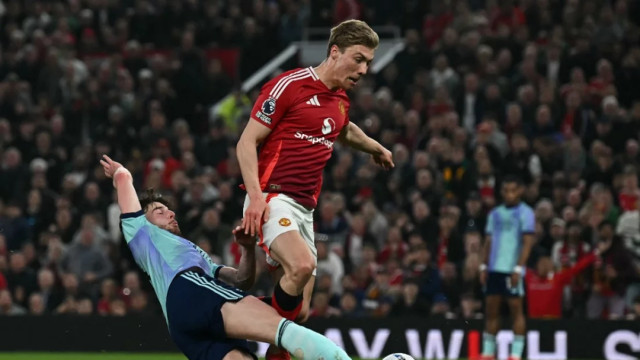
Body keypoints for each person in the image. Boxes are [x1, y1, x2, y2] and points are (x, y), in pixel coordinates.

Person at [236, 19, 394, 360]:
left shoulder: (339, 100)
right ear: (335, 52)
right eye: (359, 58)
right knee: (302, 266)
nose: (365, 69)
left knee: (301, 312)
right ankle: (240, 331)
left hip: (304, 209)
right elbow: (247, 142)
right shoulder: (288, 86)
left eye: (368, 62)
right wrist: (256, 199)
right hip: (272, 196)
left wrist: (376, 148)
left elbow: (345, 130)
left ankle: (228, 315)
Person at [99, 155, 351, 360]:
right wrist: (121, 172)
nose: (171, 213)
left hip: (183, 323)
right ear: (145, 220)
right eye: (160, 211)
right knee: (282, 322)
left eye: (169, 209)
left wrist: (247, 248)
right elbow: (124, 182)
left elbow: (241, 281)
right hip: (192, 292)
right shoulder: (141, 233)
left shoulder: (194, 254)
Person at [480, 175, 535, 360]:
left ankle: (515, 355)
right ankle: (488, 353)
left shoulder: (526, 213)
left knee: (515, 311)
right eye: (506, 190)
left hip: (512, 270)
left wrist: (519, 268)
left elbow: (527, 243)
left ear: (520, 191)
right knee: (491, 311)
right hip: (494, 269)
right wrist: (483, 265)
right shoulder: (494, 214)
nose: (509, 194)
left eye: (513, 190)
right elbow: (488, 241)